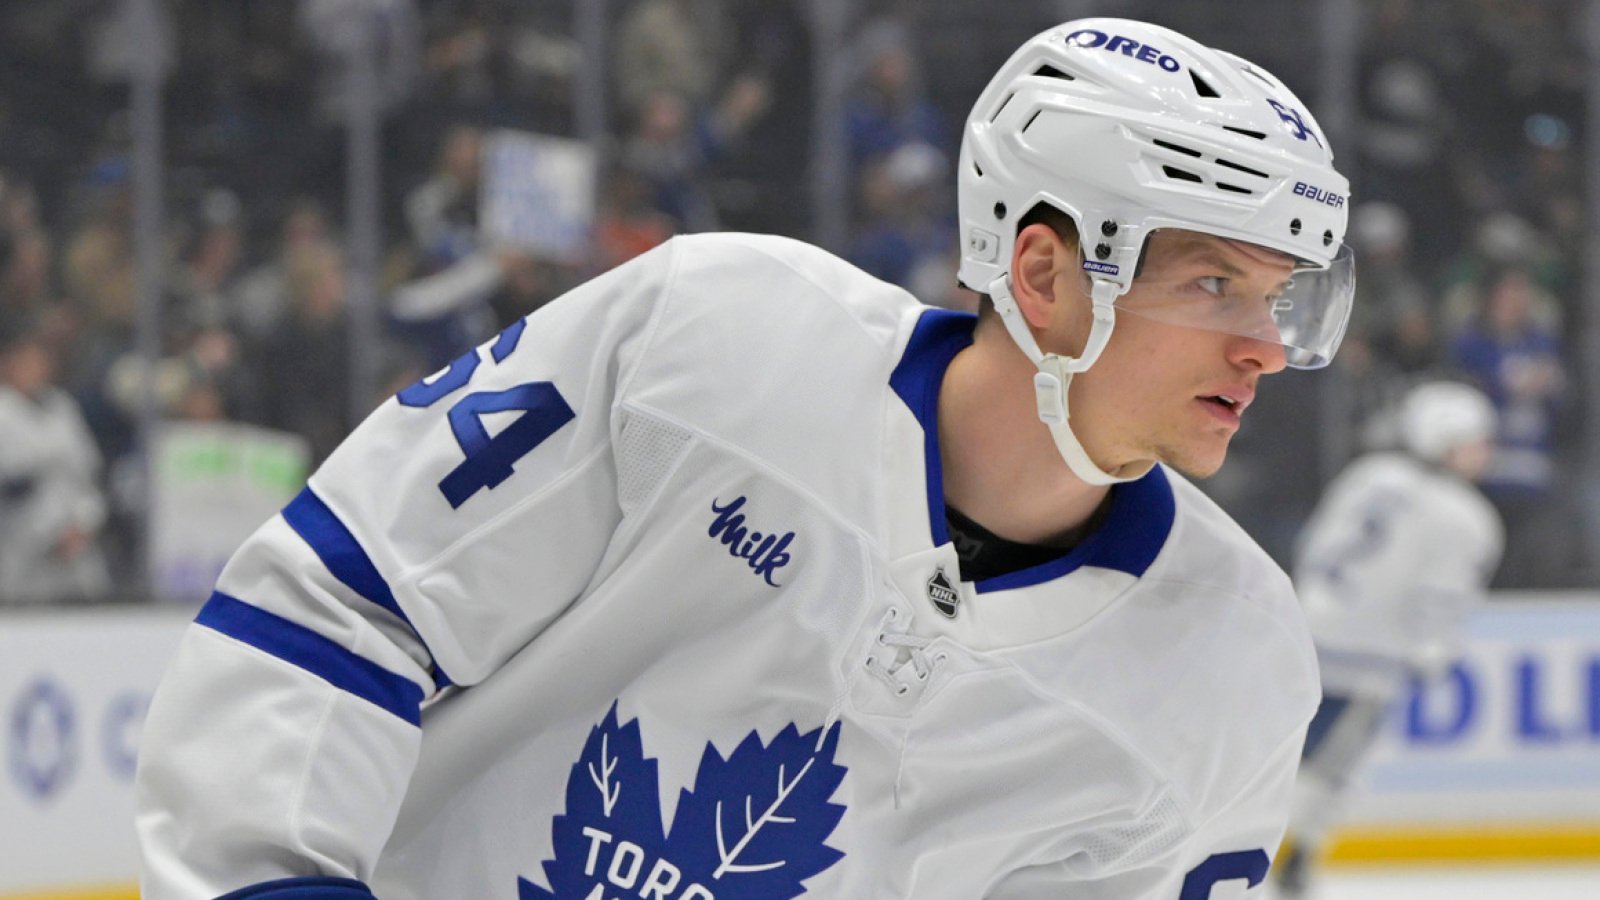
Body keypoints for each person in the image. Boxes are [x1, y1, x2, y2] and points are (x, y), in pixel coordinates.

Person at [135, 18, 1355, 898]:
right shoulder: (717, 343)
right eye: (1213, 284)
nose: (1266, 346)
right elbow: (345, 607)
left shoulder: (1231, 666)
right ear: (1042, 273)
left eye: (1282, 296)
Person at [1272, 381, 1503, 898]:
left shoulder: (1369, 476)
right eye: (1477, 441)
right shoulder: (1466, 516)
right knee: (1329, 768)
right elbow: (1441, 600)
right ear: (1446, 440)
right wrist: (1432, 654)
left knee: (1277, 751)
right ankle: (1294, 857)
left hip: (1307, 636)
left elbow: (1316, 547)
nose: (1486, 453)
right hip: (1372, 661)